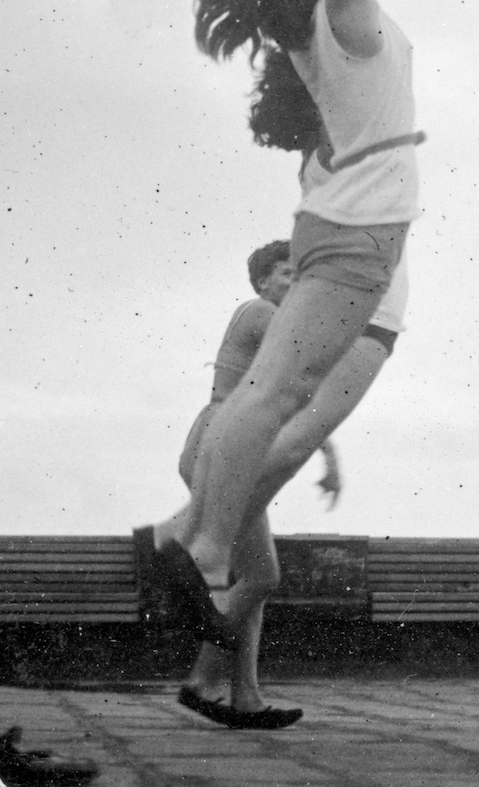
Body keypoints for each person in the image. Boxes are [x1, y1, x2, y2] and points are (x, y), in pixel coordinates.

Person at [149, 0, 419, 674]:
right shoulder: (349, 14)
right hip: (361, 242)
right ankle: (203, 544)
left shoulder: (311, 22)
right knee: (277, 399)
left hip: (329, 228)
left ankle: (196, 536)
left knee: (274, 394)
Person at [165, 239, 405, 729]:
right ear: (261, 283)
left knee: (255, 578)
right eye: (287, 276)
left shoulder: (276, 324)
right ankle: (201, 677)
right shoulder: (259, 313)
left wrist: (330, 456)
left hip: (233, 443)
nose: (298, 286)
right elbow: (319, 363)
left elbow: (298, 396)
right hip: (224, 442)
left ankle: (243, 697)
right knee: (260, 577)